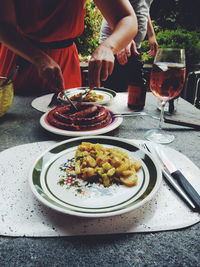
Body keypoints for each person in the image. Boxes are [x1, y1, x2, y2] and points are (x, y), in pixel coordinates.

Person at [0, 0, 137, 95]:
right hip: (21, 56)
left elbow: (127, 17)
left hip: (65, 62)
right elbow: (4, 25)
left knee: (67, 121)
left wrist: (108, 47)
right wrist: (38, 58)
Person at [99, 0, 158, 92]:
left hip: (133, 46)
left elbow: (143, 6)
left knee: (134, 92)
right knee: (115, 93)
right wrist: (121, 39)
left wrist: (151, 34)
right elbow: (112, 6)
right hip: (116, 44)